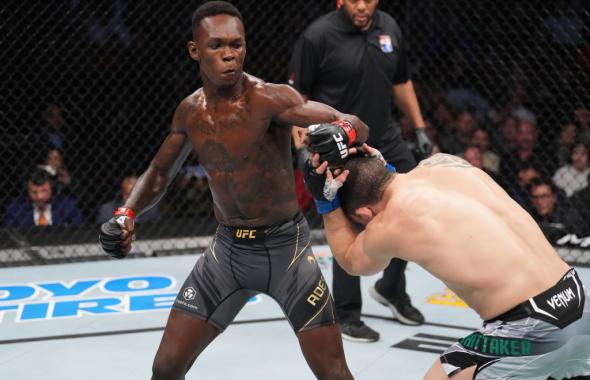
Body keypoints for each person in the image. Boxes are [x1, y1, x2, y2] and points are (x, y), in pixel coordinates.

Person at [98, 2, 370, 379]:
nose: (229, 54)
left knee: (334, 373)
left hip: (286, 251)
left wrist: (345, 133)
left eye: (237, 45)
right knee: (165, 366)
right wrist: (126, 214)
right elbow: (160, 173)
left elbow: (353, 122)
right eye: (217, 46)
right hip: (226, 254)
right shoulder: (190, 112)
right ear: (195, 50)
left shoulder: (270, 99)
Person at [304, 144, 590, 379]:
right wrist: (375, 164)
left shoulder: (390, 224)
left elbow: (352, 262)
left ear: (364, 214)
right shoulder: (444, 162)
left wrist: (326, 203)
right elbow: (383, 176)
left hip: (529, 330)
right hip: (579, 299)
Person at [288, 0, 429, 342]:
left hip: (387, 137)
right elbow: (295, 99)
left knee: (414, 206)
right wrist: (302, 149)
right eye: (355, 0)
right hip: (339, 144)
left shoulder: (389, 28)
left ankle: (392, 287)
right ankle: (348, 313)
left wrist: (420, 127)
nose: (362, 6)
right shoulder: (317, 36)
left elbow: (402, 81)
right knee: (347, 221)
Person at [3, 168, 85, 227]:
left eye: (44, 191)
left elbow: (82, 231)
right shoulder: (14, 209)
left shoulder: (68, 205)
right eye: (34, 192)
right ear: (27, 191)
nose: (39, 197)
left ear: (52, 189)